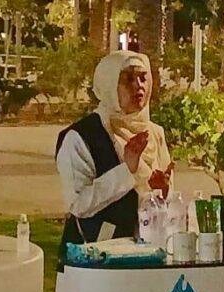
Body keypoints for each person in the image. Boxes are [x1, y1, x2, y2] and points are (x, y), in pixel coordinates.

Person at [55, 50, 173, 258]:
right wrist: (127, 170)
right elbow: (78, 203)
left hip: (150, 253)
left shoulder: (154, 133)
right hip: (96, 256)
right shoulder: (81, 136)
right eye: (128, 79)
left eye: (143, 78)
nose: (138, 86)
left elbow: (162, 198)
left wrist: (163, 190)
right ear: (109, 85)